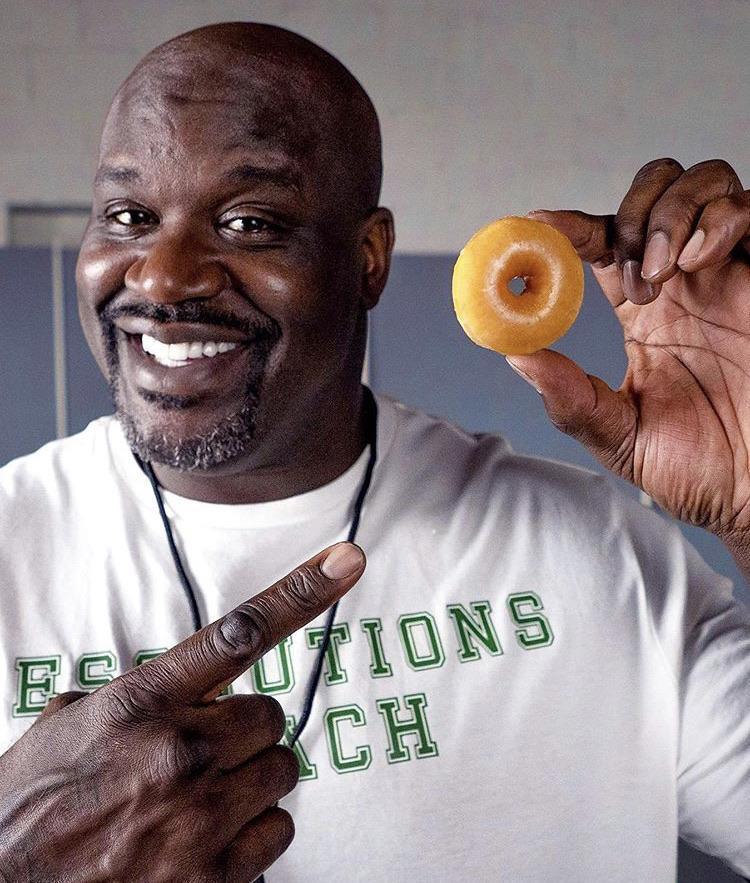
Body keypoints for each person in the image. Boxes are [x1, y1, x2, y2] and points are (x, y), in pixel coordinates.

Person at [0, 20, 748, 883]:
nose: (163, 277)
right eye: (129, 215)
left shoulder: (596, 551)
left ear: (369, 259)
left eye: (249, 222)